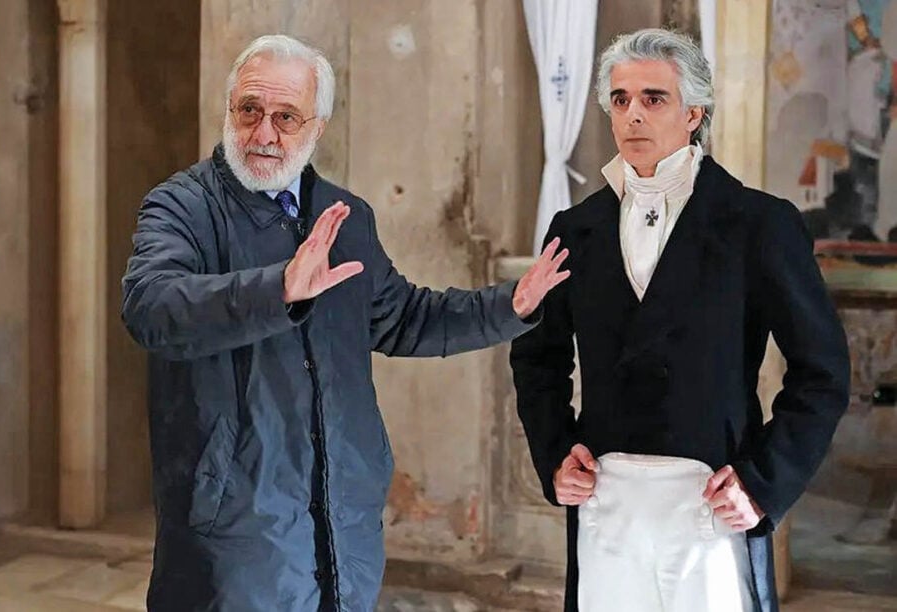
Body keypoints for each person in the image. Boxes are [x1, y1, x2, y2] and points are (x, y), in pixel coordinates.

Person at [121, 34, 569, 611]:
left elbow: (404, 318)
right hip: (233, 530)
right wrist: (279, 289)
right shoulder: (182, 205)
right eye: (250, 110)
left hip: (344, 520)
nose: (263, 133)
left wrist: (511, 306)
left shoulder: (345, 216)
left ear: (318, 126)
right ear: (229, 109)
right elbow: (151, 306)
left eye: (286, 117)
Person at [510, 28, 850, 612]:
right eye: (620, 100)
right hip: (606, 503)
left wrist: (763, 484)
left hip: (710, 502)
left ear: (694, 113)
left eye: (653, 98)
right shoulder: (575, 229)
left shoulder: (758, 224)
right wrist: (556, 454)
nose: (633, 115)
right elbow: (537, 358)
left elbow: (823, 371)